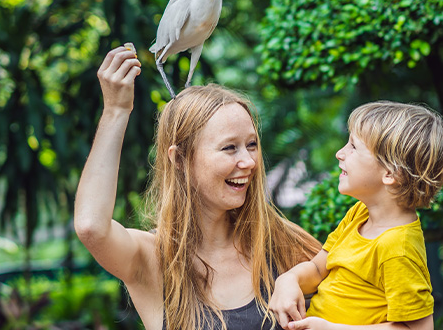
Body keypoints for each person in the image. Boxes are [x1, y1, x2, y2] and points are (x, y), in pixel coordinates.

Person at [74, 45, 321, 330]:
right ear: (179, 159)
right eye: (229, 148)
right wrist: (116, 111)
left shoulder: (282, 242)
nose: (248, 161)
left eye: (251, 145)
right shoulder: (153, 259)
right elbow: (91, 227)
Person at [269, 101, 443, 330]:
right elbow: (318, 270)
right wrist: (289, 280)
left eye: (353, 147)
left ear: (390, 172)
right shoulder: (360, 213)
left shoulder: (398, 249)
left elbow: (418, 329)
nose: (340, 153)